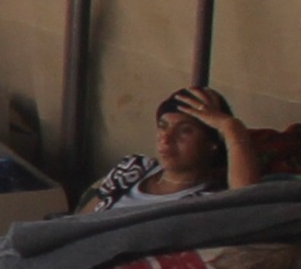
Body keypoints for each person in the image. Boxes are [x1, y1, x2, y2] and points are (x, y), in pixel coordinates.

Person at [85, 83, 265, 208]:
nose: (166, 138)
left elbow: (247, 204)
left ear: (212, 144)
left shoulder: (208, 201)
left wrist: (231, 127)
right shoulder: (134, 168)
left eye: (185, 131)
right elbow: (80, 222)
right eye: (163, 127)